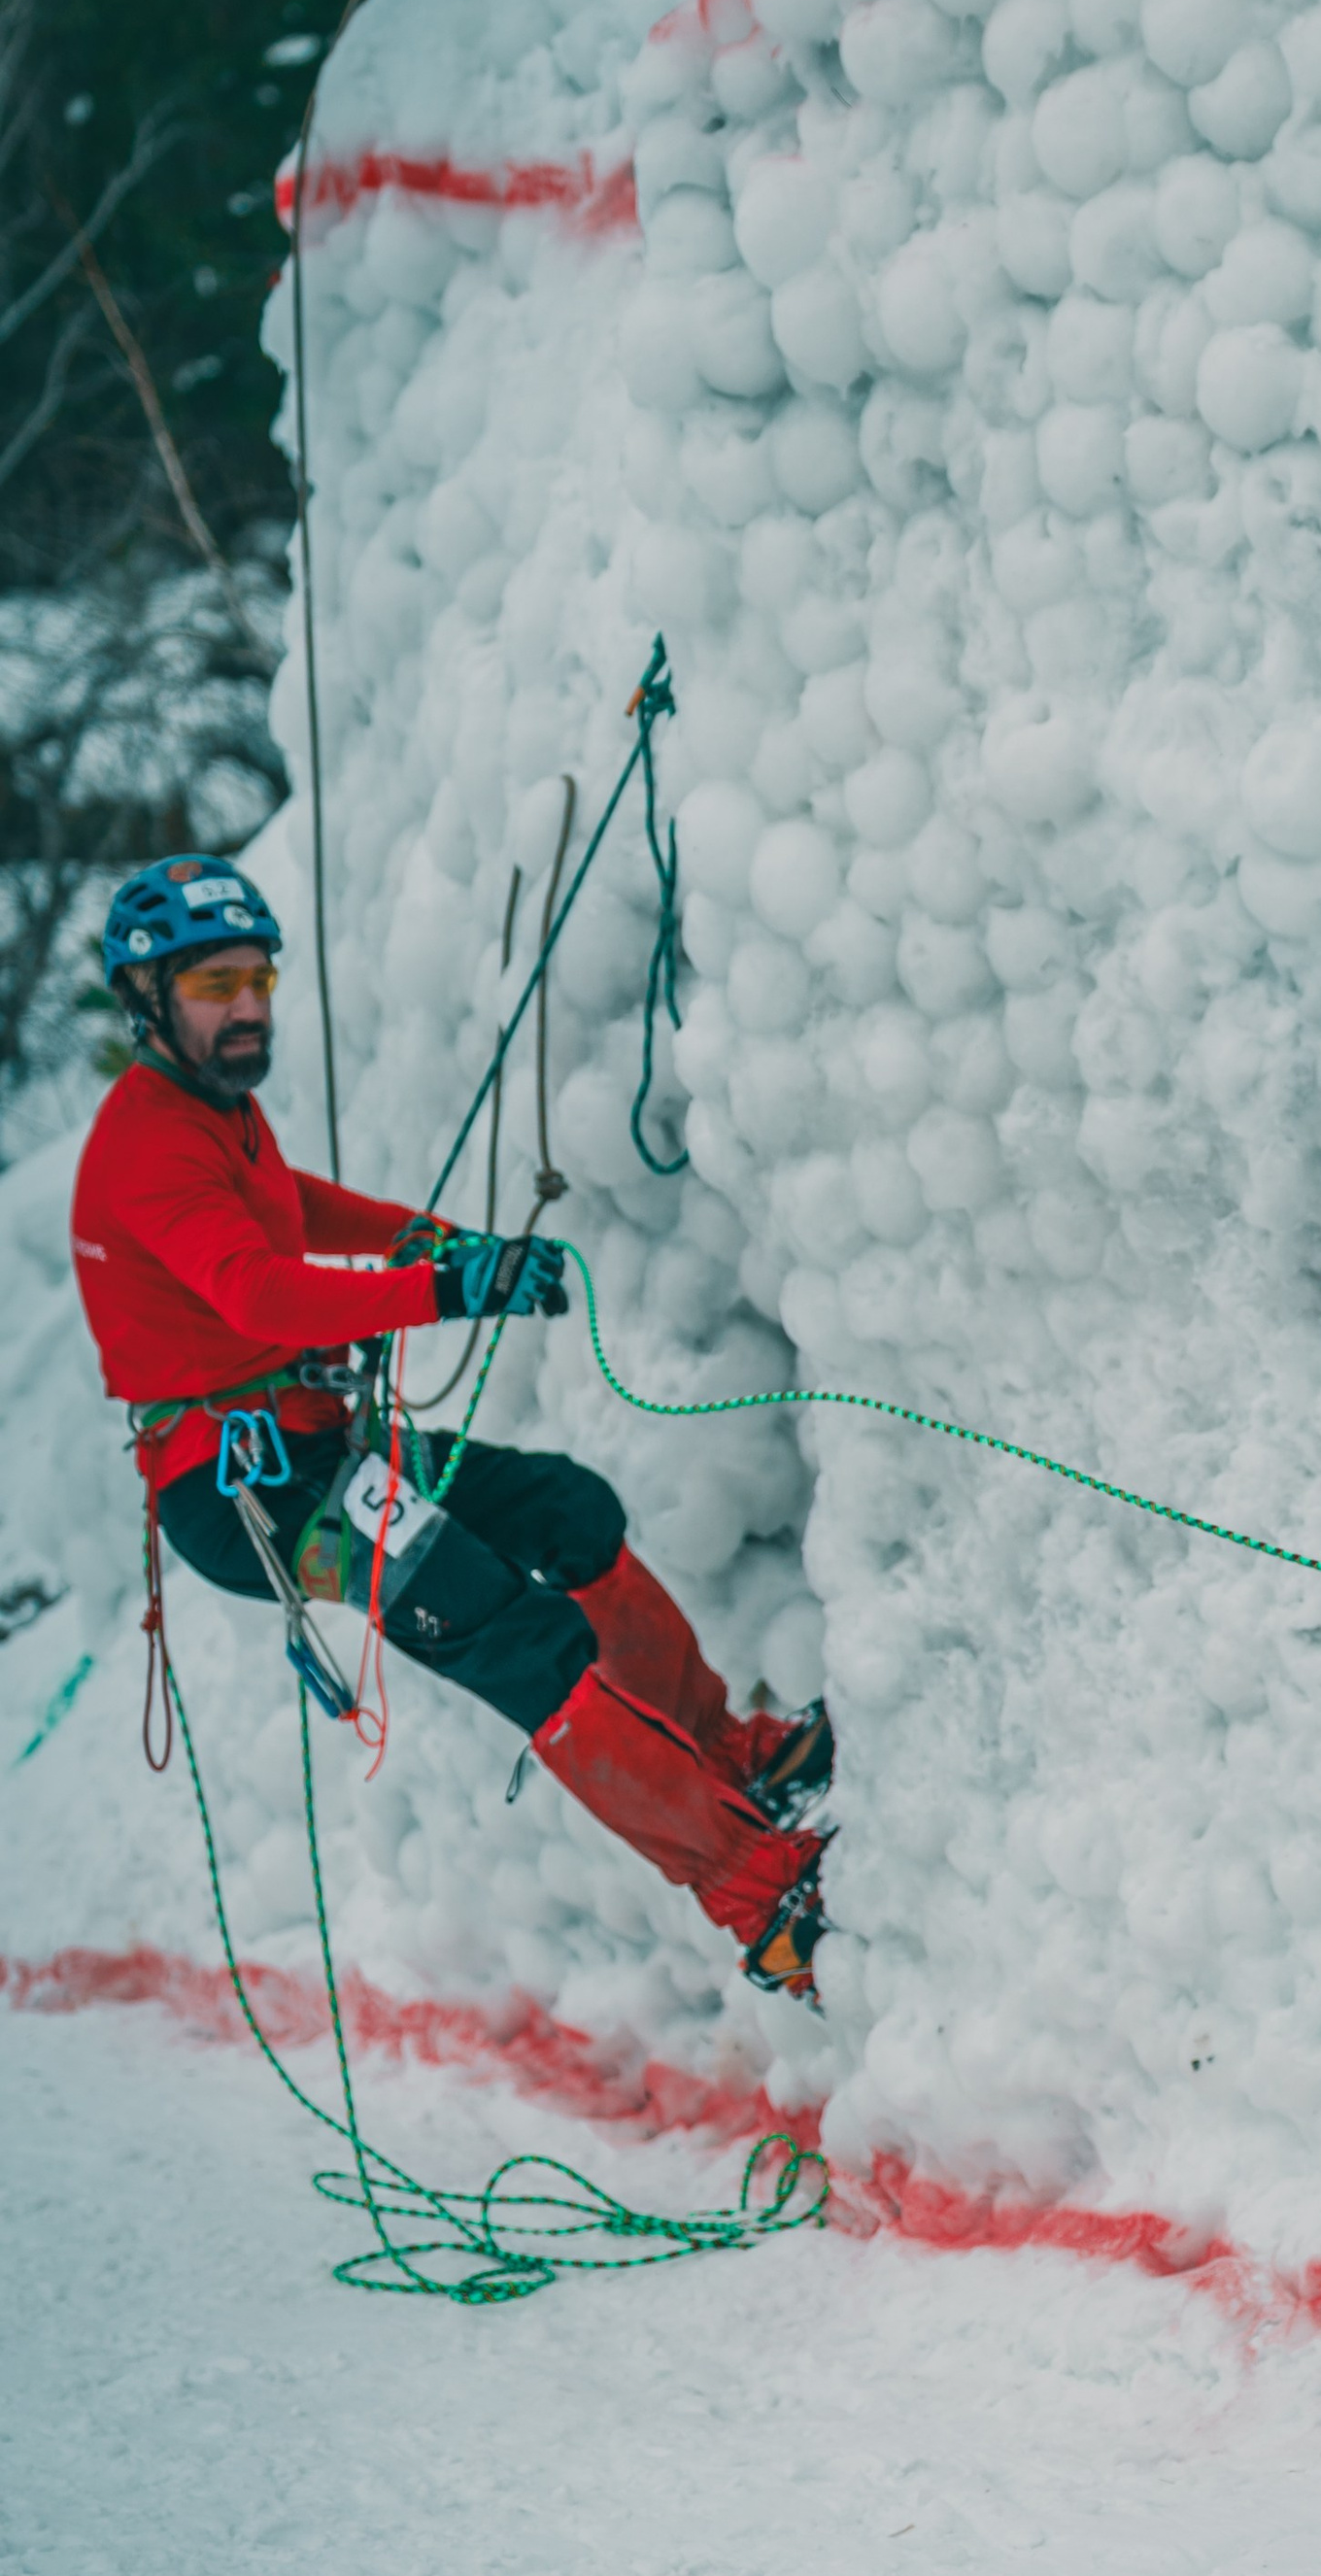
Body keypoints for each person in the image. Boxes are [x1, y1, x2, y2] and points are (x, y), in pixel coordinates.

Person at [70, 854, 837, 1999]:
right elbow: (258, 1291)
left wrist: (435, 1244)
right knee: (515, 1633)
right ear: (146, 1001)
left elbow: (299, 1208)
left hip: (314, 1446)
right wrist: (446, 1289)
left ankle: (725, 1752)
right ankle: (755, 1894)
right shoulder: (148, 1146)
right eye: (212, 984)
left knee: (566, 1509)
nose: (245, 1007)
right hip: (251, 1493)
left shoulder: (216, 1112)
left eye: (257, 980)